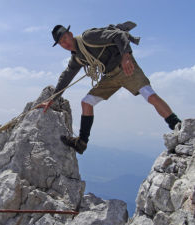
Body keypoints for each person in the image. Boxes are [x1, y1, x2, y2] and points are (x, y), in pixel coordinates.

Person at [39, 21, 181, 155]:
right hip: (110, 77)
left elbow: (118, 35)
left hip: (125, 67)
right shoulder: (76, 59)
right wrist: (52, 99)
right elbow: (66, 78)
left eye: (65, 38)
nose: (65, 44)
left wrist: (126, 55)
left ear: (70, 34)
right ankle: (81, 143)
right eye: (61, 43)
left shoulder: (88, 37)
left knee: (149, 95)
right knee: (86, 102)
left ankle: (178, 126)